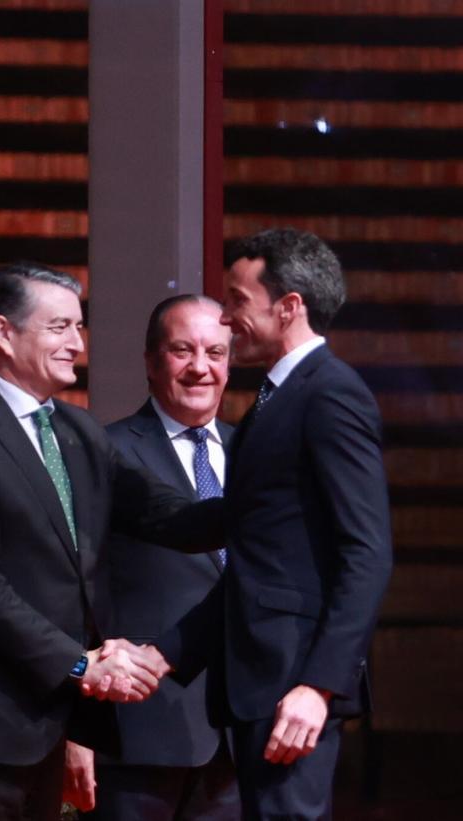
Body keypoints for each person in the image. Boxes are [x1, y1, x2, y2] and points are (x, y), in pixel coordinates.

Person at [0, 262, 223, 821]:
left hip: (46, 725)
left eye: (79, 327)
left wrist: (264, 495)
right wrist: (78, 665)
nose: (77, 343)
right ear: (3, 332)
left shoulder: (78, 431)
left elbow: (171, 519)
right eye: (60, 327)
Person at [156, 228, 393, 820]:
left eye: (238, 300)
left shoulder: (330, 395)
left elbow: (366, 553)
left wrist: (319, 687)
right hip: (262, 681)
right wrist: (165, 653)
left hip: (293, 686)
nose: (227, 319)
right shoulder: (275, 398)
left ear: (288, 307)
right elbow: (257, 552)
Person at [70, 295, 240, 819]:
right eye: (182, 350)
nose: (200, 367)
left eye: (215, 352)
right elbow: (77, 589)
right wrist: (75, 730)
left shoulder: (254, 453)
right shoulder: (104, 451)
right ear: (150, 360)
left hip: (239, 731)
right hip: (137, 733)